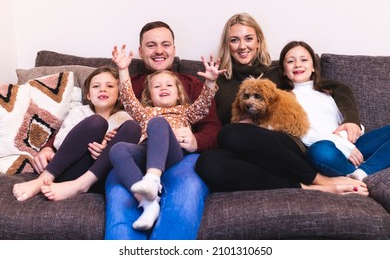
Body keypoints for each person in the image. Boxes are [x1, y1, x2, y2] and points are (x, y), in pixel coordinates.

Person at [195, 12, 368, 195]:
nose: (242, 46)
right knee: (207, 163)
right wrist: (209, 85)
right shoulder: (216, 80)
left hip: (281, 147)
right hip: (242, 146)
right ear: (227, 45)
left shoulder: (278, 72)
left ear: (258, 41)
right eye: (235, 40)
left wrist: (351, 119)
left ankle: (321, 180)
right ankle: (306, 187)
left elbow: (337, 88)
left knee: (231, 132)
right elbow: (207, 122)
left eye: (248, 39)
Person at [104, 21, 221, 239]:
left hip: (181, 157)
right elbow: (103, 108)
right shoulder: (129, 83)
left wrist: (196, 140)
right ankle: (147, 205)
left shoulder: (192, 86)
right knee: (119, 182)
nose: (159, 50)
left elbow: (211, 122)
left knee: (187, 191)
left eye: (165, 44)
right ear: (140, 51)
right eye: (151, 45)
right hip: (140, 154)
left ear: (174, 50)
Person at [12, 67, 141, 201]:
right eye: (96, 86)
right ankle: (43, 179)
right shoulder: (79, 112)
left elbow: (134, 150)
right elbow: (61, 142)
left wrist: (107, 148)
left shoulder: (124, 118)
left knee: (133, 127)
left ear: (120, 94)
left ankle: (82, 185)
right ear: (88, 95)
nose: (103, 89)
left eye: (109, 86)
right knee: (97, 122)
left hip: (105, 175)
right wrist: (93, 143)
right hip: (74, 172)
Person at [279, 40, 390, 181]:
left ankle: (363, 172)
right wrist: (342, 146)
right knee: (320, 152)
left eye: (304, 60)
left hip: (353, 145)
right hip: (327, 148)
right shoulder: (284, 97)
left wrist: (352, 133)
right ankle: (357, 169)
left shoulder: (328, 91)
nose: (298, 65)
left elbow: (349, 123)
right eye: (290, 61)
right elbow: (304, 135)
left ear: (313, 66)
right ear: (283, 70)